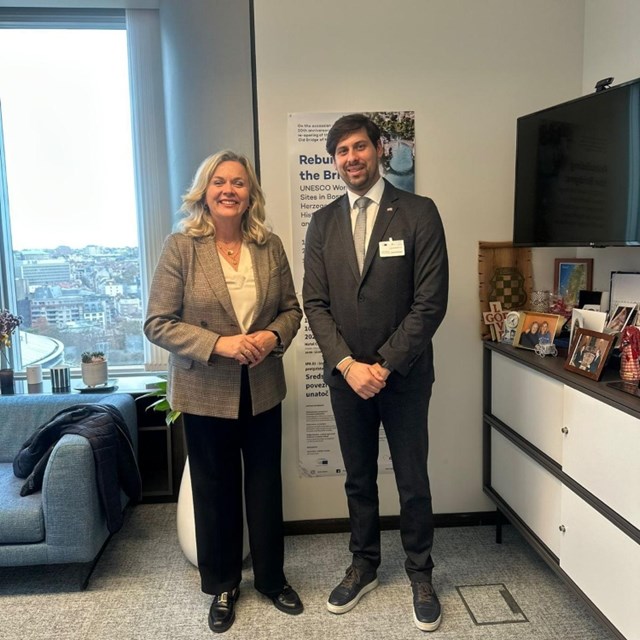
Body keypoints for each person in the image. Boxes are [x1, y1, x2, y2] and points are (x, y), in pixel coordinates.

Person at [144, 150, 303, 633]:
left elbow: (291, 310)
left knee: (265, 486)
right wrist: (219, 343)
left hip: (262, 385)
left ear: (250, 194)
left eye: (238, 182)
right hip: (204, 388)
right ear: (204, 192)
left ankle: (272, 580)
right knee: (214, 490)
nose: (229, 190)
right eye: (219, 182)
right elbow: (157, 323)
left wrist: (271, 337)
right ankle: (222, 585)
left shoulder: (269, 246)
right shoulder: (181, 247)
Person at [302, 114, 449, 632]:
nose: (352, 158)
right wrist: (348, 365)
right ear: (334, 161)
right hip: (346, 378)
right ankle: (363, 564)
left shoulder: (418, 212)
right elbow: (314, 303)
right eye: (341, 151)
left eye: (359, 147)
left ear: (380, 148)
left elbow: (430, 302)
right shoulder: (322, 223)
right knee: (359, 478)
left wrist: (382, 366)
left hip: (403, 376)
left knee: (412, 479)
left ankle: (421, 572)